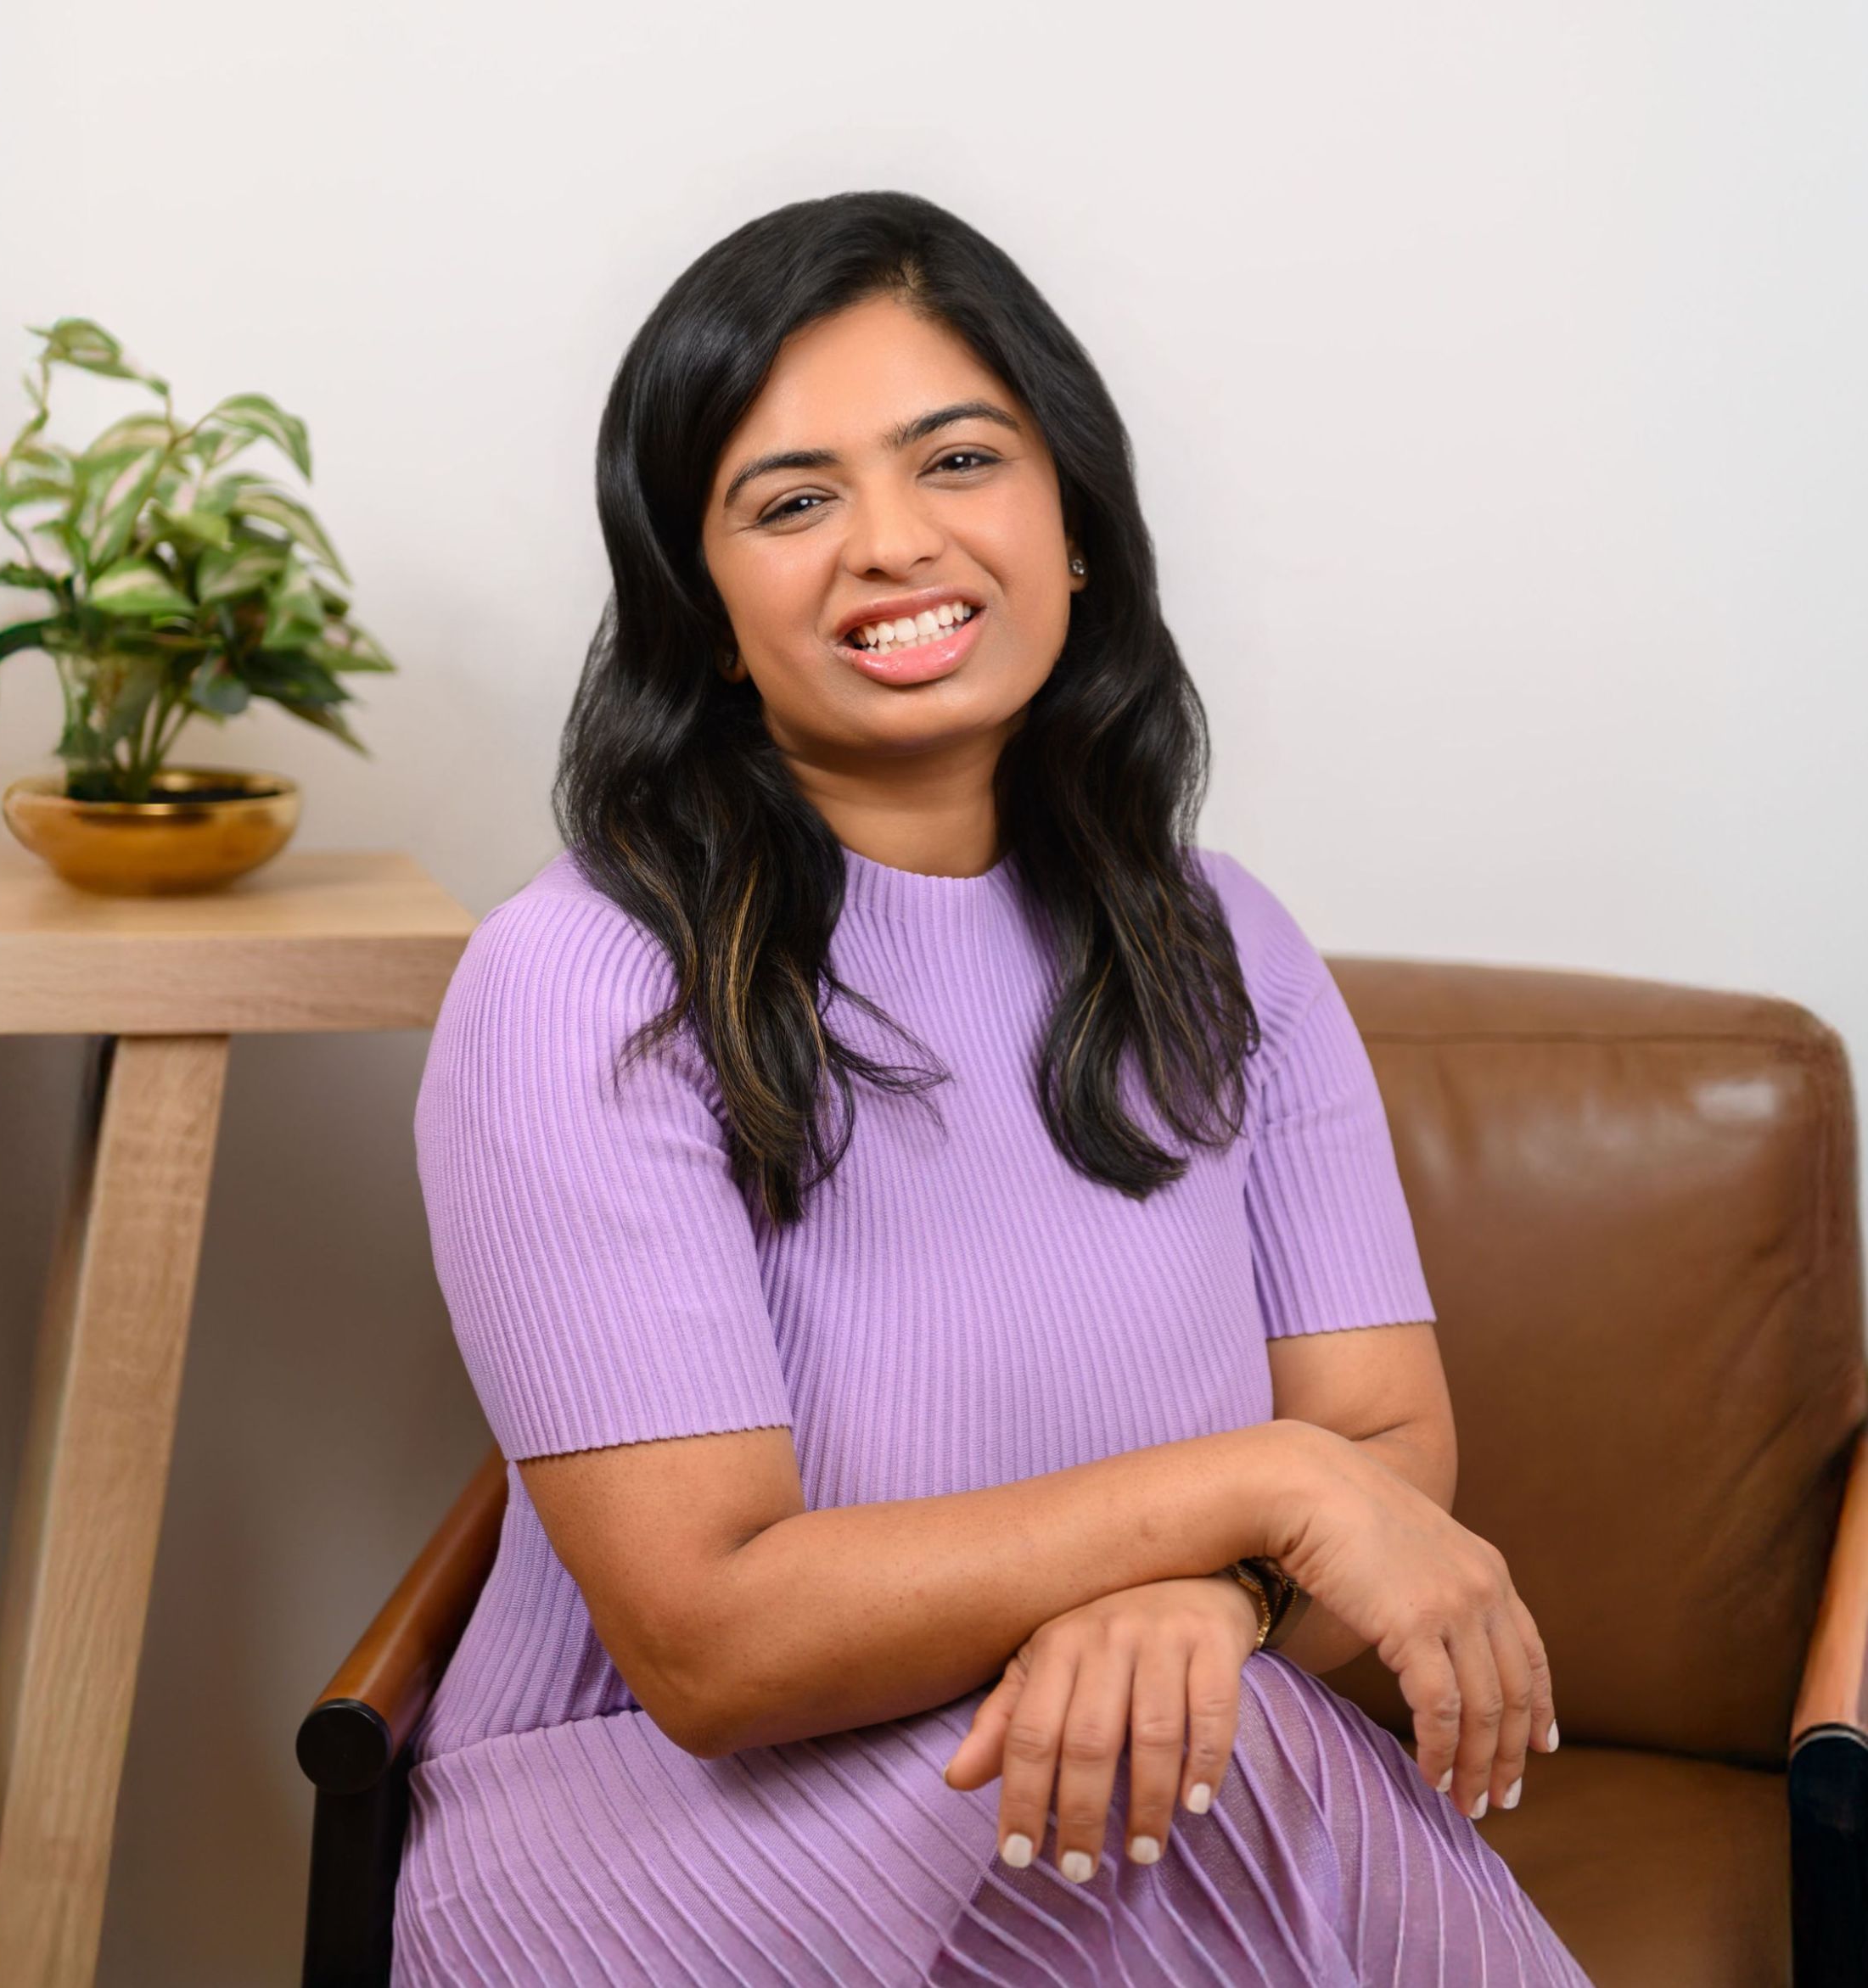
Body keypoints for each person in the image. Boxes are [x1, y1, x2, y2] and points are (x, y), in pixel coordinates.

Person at [393, 188, 1590, 1987]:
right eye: (790, 502)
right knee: (1238, 1771)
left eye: (957, 460)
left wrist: (1208, 1600)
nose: (891, 543)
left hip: (1113, 1763)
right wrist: (1261, 1488)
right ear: (704, 612)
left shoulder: (1227, 946)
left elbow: (1386, 1448)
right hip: (651, 1830)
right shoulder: (580, 978)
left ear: (1074, 526)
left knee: (1206, 1753)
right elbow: (713, 1641)